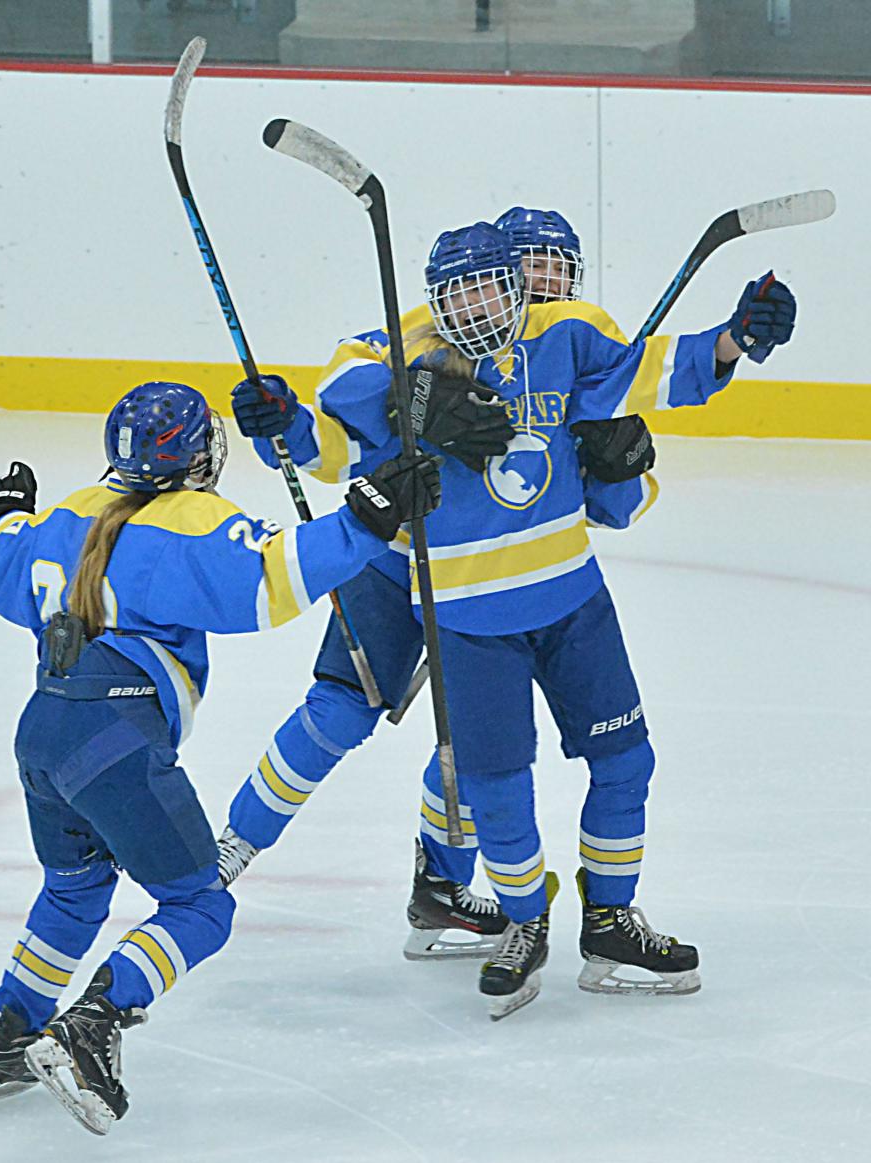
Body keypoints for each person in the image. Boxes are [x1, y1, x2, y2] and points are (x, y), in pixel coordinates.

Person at [223, 219, 795, 1019]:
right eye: (511, 277)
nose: (511, 295)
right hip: (416, 571)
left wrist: (726, 350)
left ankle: (567, 910)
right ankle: (244, 850)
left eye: (539, 278)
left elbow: (643, 416)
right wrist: (307, 415)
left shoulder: (571, 341)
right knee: (373, 726)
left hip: (552, 590)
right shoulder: (404, 353)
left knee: (594, 759)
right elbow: (333, 435)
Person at [0, 381, 440, 1133]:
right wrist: (364, 520)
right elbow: (271, 579)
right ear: (198, 454)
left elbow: (2, 568)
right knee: (199, 905)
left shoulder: (70, 511)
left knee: (74, 888)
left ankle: (10, 1037)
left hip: (43, 731)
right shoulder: (186, 522)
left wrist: (3, 516)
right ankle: (93, 1020)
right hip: (114, 741)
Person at [215, 209, 644, 960]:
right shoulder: (434, 337)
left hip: (485, 581)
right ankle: (230, 848)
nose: (546, 283)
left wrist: (621, 463)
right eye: (531, 266)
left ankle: (441, 883)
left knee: (473, 742)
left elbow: (619, 508)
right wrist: (401, 400)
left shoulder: (571, 358)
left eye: (559, 270)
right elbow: (346, 404)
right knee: (340, 710)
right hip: (396, 561)